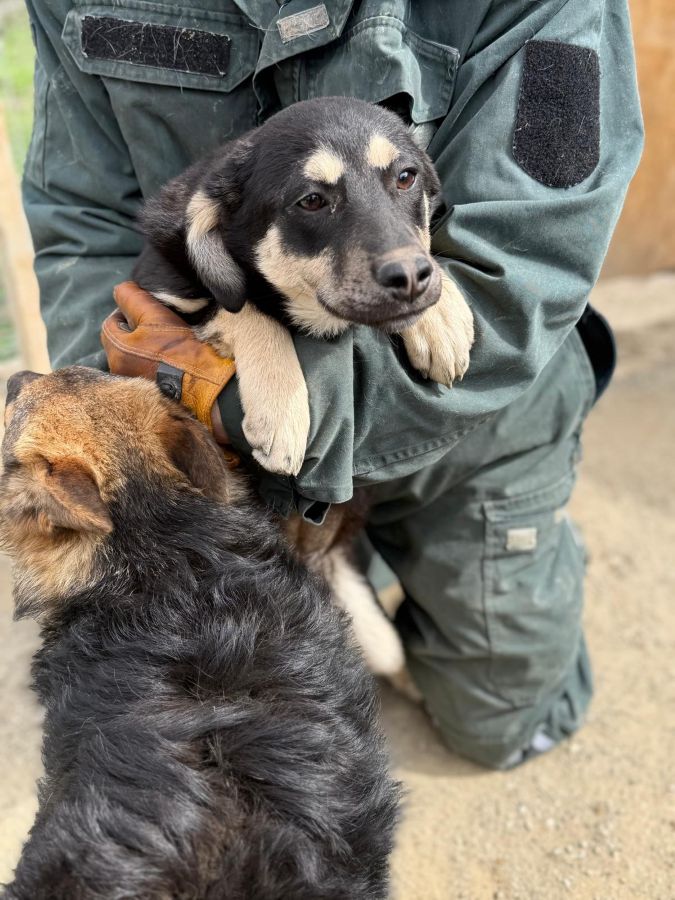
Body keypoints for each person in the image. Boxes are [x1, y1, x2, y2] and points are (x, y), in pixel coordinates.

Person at [22, 0, 643, 769]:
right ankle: (351, 556)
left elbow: (529, 261)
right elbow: (82, 221)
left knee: (500, 727)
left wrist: (256, 397)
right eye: (314, 200)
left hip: (475, 415)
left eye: (404, 176)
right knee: (235, 717)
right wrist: (160, 407)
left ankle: (525, 543)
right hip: (230, 438)